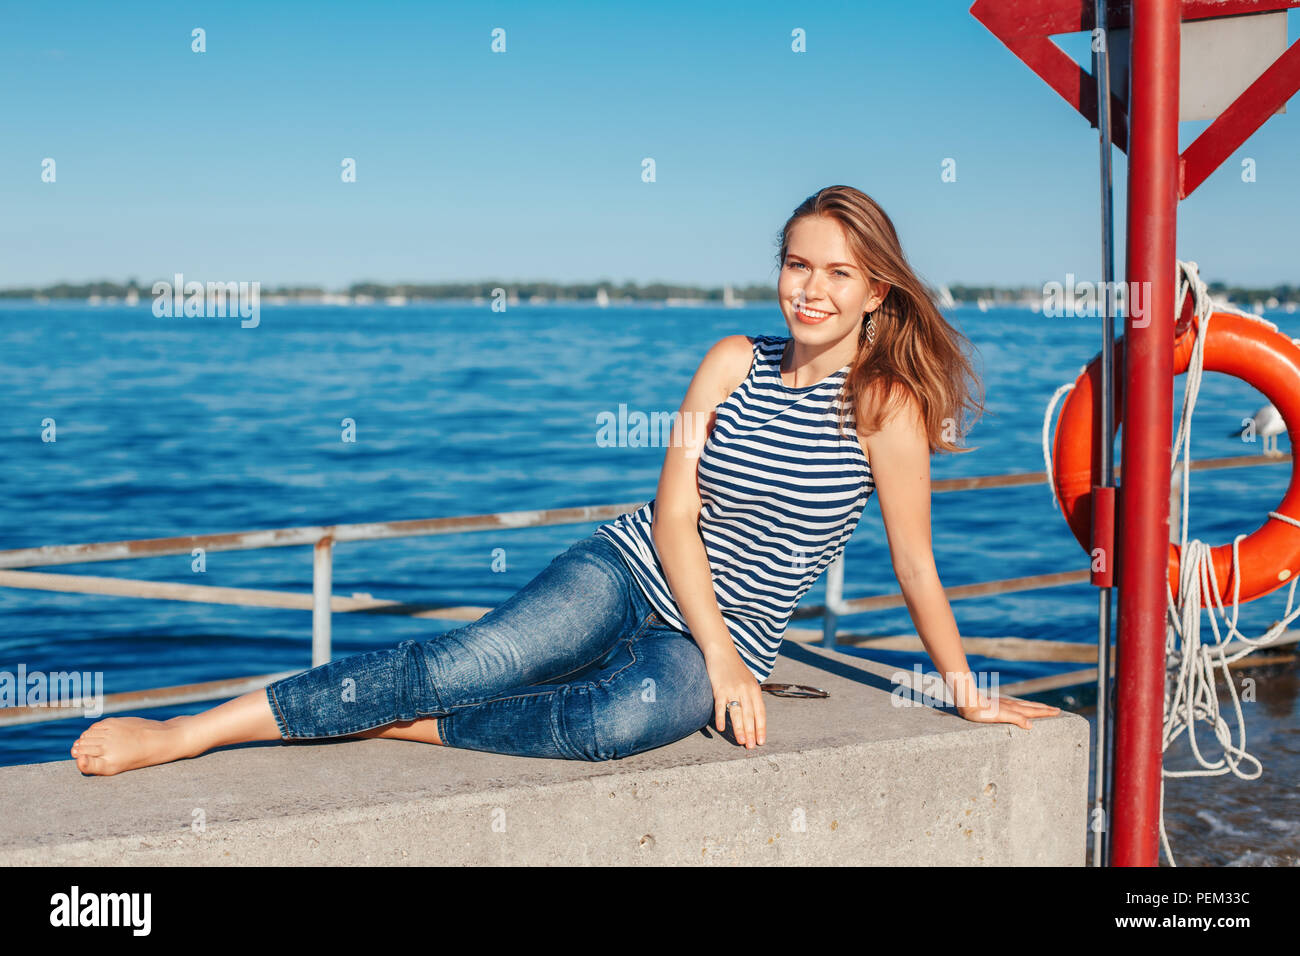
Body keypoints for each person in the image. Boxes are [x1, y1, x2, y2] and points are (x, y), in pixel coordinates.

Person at [70, 185, 1060, 776]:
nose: (810, 288)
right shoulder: (728, 361)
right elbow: (676, 516)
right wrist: (718, 654)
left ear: (877, 290)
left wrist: (966, 691)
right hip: (632, 570)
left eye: (838, 272)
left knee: (609, 724)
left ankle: (405, 726)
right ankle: (191, 734)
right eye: (797, 264)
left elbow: (916, 564)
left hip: (723, 635)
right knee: (475, 656)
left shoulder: (885, 407)